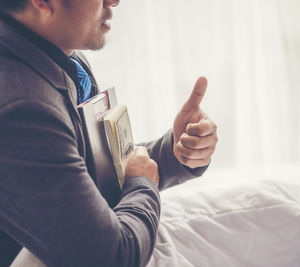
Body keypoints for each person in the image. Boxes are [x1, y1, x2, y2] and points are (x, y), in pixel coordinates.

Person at [0, 0, 218, 266]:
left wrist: (175, 152)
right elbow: (113, 257)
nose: (114, 1)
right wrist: (143, 184)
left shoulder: (61, 56)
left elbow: (95, 174)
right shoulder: (22, 107)